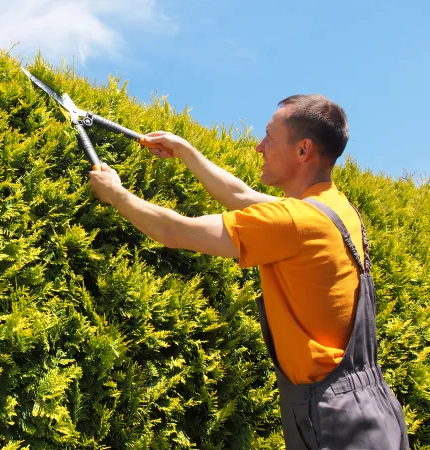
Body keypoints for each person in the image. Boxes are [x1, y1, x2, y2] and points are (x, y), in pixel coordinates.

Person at [88, 94, 409, 450]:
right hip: (371, 405)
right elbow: (240, 194)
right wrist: (184, 150)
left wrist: (116, 194)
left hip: (335, 420)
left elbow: (174, 231)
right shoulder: (333, 210)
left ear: (303, 150)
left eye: (270, 137)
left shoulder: (294, 221)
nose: (259, 147)